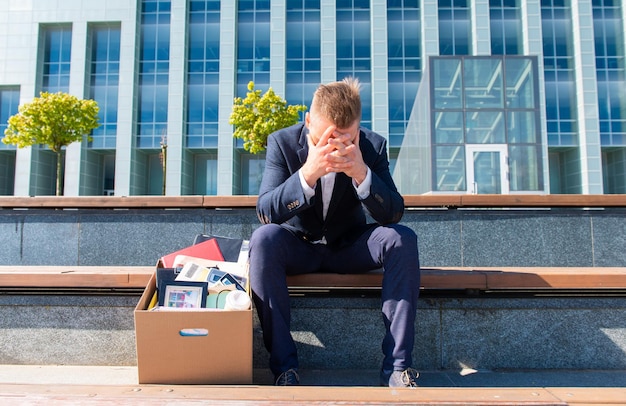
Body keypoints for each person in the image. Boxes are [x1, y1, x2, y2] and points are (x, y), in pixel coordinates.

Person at [248, 77, 421, 387]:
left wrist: (361, 173)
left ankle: (397, 369)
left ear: (358, 128)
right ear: (308, 121)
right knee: (263, 240)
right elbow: (266, 211)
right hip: (298, 246)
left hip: (348, 247)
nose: (336, 145)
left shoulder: (371, 146)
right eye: (326, 137)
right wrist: (308, 173)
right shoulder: (283, 142)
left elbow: (393, 212)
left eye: (347, 137)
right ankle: (284, 369)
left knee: (401, 239)